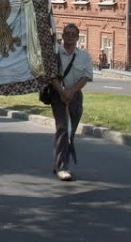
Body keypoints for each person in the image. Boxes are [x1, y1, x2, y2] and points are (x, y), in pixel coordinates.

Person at [50, 23, 93, 181]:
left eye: (72, 34)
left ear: (77, 37)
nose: (69, 36)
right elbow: (51, 75)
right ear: (62, 36)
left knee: (70, 131)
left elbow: (86, 76)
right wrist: (62, 91)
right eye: (66, 33)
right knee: (62, 128)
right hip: (58, 95)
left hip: (75, 96)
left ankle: (58, 161)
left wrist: (71, 91)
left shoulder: (84, 56)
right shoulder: (55, 53)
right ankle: (62, 167)